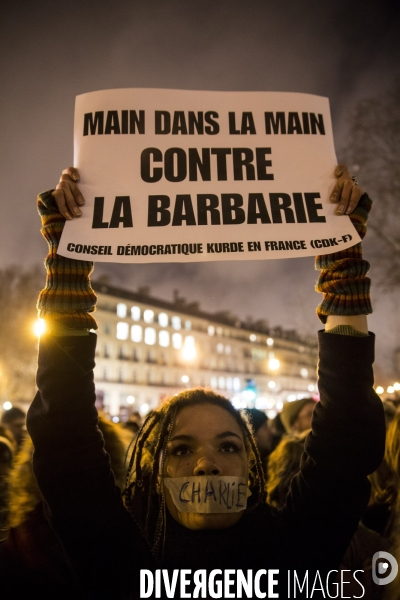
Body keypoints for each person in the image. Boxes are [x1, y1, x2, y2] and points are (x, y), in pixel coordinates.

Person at [26, 165, 385, 599]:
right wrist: (66, 265)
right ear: (153, 472)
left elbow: (344, 439)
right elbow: (65, 442)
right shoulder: (117, 560)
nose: (206, 464)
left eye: (229, 446)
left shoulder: (291, 557)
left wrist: (342, 254)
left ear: (253, 471)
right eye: (180, 449)